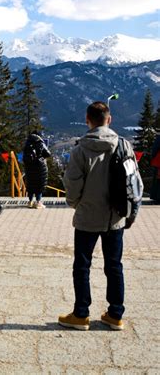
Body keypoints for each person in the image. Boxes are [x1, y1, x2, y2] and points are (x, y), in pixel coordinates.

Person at [59, 101, 141, 331]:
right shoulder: (125, 146)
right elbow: (135, 182)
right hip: (115, 217)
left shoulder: (80, 150)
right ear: (109, 119)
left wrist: (76, 204)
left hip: (87, 216)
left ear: (88, 120)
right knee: (114, 266)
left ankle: (81, 314)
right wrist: (131, 212)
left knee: (82, 265)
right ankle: (115, 314)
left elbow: (72, 184)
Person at [22, 131, 51, 209]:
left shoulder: (27, 144)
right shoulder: (40, 143)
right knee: (39, 185)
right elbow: (48, 153)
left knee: (31, 184)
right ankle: (38, 202)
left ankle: (30, 202)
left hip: (29, 167)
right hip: (40, 167)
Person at [150, 133, 160, 203]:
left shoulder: (159, 138)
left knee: (158, 181)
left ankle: (157, 197)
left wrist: (153, 157)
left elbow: (154, 149)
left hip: (158, 162)